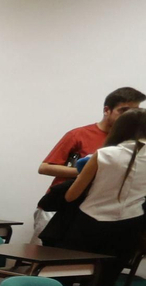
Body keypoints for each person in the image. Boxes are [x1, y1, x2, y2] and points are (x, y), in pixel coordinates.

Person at [36, 86, 144, 236]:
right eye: (123, 110)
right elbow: (44, 168)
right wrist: (89, 171)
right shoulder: (79, 134)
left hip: (91, 211)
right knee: (42, 254)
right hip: (59, 204)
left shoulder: (132, 145)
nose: (130, 116)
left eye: (135, 111)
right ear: (107, 110)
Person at [59, 107, 146, 285]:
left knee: (66, 279)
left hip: (89, 223)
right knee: (103, 285)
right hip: (129, 225)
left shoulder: (104, 154)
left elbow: (71, 196)